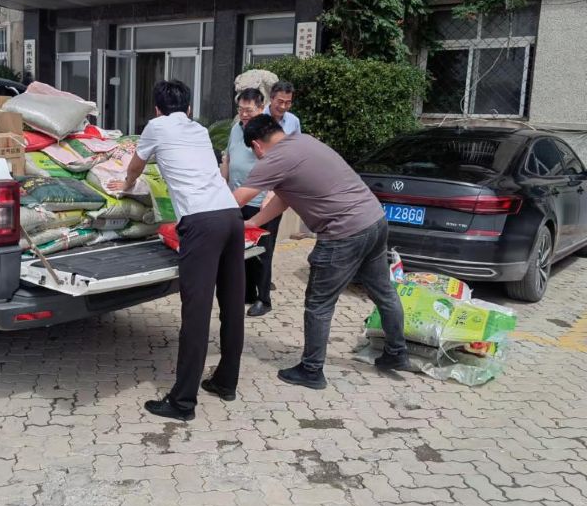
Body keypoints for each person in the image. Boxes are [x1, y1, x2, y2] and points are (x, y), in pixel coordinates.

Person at [233, 115, 409, 390]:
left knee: (319, 303)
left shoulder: (274, 158)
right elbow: (283, 198)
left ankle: (311, 370)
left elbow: (238, 198)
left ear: (257, 145)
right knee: (384, 292)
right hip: (374, 221)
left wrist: (202, 216)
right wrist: (253, 222)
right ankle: (397, 352)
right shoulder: (304, 142)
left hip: (343, 233)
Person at [109, 80, 245, 421]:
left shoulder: (156, 127)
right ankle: (226, 382)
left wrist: (127, 185)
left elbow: (136, 165)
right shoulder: (199, 130)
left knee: (196, 314)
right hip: (231, 216)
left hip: (201, 222)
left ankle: (182, 403)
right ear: (189, 109)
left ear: (157, 110)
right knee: (232, 305)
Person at [221, 88, 278, 317]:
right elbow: (228, 158)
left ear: (261, 108)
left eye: (249, 110)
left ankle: (263, 299)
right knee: (241, 248)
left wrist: (271, 195)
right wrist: (222, 185)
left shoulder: (268, 131)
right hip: (237, 198)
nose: (244, 114)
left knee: (262, 252)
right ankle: (247, 292)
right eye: (241, 110)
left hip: (262, 201)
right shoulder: (236, 128)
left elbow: (279, 165)